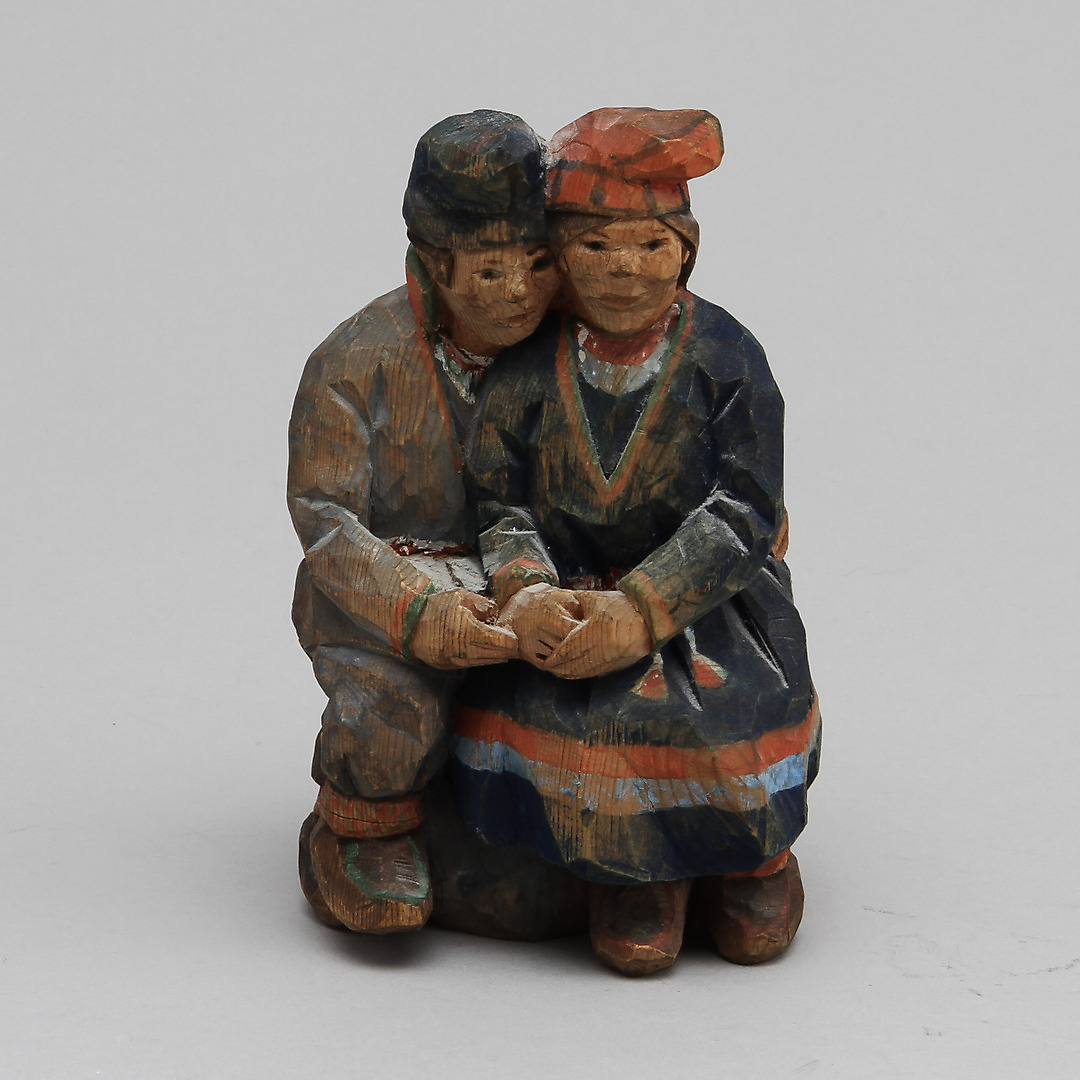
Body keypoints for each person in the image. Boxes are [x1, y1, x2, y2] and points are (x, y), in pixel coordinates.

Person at [452, 108, 820, 975]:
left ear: (684, 252)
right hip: (573, 597)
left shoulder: (726, 356)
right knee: (592, 726)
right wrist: (527, 592)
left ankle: (753, 861)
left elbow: (745, 506)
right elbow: (498, 500)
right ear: (561, 258)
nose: (625, 269)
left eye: (651, 245)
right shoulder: (527, 370)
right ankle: (632, 874)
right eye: (596, 246)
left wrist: (646, 608)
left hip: (706, 601)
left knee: (729, 714)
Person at [288, 111, 562, 934]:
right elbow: (327, 519)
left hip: (539, 575)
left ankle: (629, 850)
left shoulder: (573, 345)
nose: (520, 291)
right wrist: (418, 612)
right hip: (381, 598)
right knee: (395, 712)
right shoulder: (357, 360)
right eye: (490, 269)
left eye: (540, 262)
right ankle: (365, 828)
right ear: (436, 264)